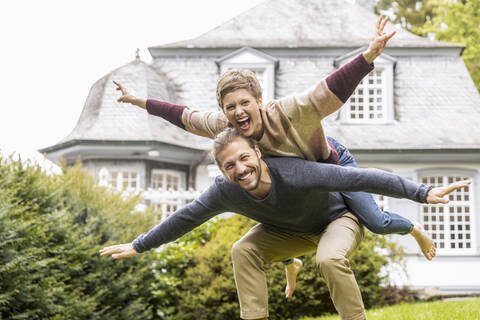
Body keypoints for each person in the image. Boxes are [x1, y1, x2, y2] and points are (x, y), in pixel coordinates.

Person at [114, 13, 417, 310]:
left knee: (376, 221)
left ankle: (412, 228)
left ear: (259, 101)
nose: (238, 111)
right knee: (262, 214)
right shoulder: (225, 129)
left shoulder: (288, 111)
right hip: (289, 188)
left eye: (245, 102)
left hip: (332, 166)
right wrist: (138, 101)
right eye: (230, 107)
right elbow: (182, 115)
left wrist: (368, 56)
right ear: (224, 110)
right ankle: (289, 263)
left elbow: (330, 90)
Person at [100, 128, 471, 320]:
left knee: (330, 257)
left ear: (257, 152)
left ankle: (411, 229)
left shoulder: (295, 172)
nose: (240, 169)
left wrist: (422, 193)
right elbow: (185, 218)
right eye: (230, 166)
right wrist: (139, 245)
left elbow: (363, 178)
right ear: (221, 170)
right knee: (242, 249)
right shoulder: (223, 192)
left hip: (337, 219)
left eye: (244, 158)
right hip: (291, 233)